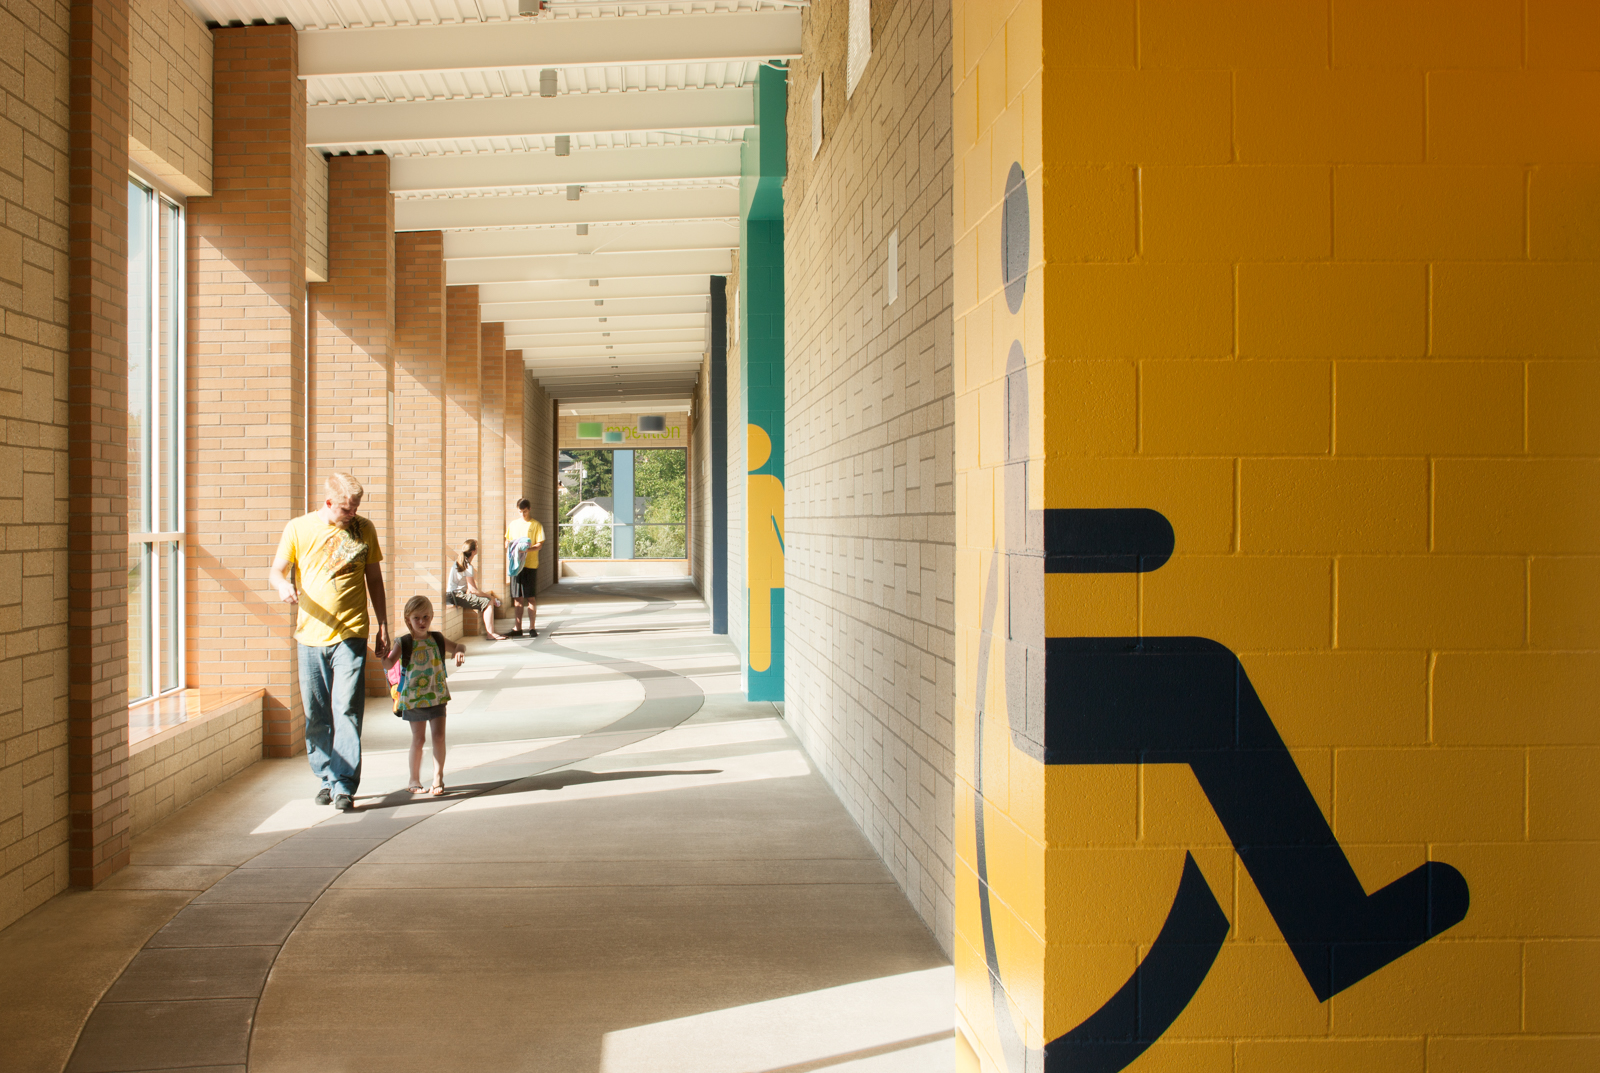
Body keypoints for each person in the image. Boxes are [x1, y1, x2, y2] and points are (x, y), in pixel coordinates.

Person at [268, 472, 389, 812]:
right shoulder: (298, 528)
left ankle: (344, 784)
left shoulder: (364, 529)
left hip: (351, 632)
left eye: (356, 508)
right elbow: (276, 570)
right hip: (310, 635)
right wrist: (282, 586)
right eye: (346, 509)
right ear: (329, 502)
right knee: (317, 713)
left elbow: (375, 580)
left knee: (347, 708)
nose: (352, 514)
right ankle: (326, 777)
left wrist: (383, 624)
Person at [384, 595, 464, 796]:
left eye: (426, 617)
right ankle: (414, 780)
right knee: (418, 739)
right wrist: (382, 654)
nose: (422, 622)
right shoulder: (403, 642)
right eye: (417, 618)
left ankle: (438, 779)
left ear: (432, 616)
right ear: (408, 619)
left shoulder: (436, 638)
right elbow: (388, 664)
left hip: (436, 695)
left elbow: (458, 646)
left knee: (439, 736)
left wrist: (460, 652)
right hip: (413, 698)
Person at [446, 538, 506, 640]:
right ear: (473, 551)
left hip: (451, 596)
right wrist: (490, 597)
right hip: (455, 597)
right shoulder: (467, 566)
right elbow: (473, 590)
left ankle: (491, 632)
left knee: (486, 600)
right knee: (487, 602)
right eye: (477, 547)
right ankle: (490, 634)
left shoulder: (459, 562)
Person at [504, 498, 545, 637]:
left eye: (525, 511)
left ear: (530, 509)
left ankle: (532, 628)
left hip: (530, 565)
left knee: (531, 598)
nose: (523, 514)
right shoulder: (513, 524)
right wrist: (511, 547)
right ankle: (518, 628)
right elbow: (507, 541)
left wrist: (526, 550)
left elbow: (539, 544)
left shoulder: (536, 525)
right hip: (516, 566)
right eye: (520, 511)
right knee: (517, 598)